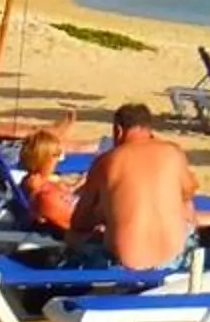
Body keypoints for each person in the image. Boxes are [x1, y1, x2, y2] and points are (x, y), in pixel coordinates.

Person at [69, 101, 201, 268]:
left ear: (118, 131)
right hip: (176, 259)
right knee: (186, 206)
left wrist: (103, 214)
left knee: (74, 238)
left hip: (126, 266)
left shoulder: (106, 161)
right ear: (149, 129)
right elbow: (189, 192)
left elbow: (80, 221)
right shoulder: (174, 152)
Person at [18, 123, 80, 234]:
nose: (59, 160)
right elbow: (72, 224)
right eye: (56, 154)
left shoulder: (40, 183)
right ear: (43, 158)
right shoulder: (43, 194)